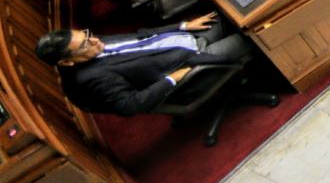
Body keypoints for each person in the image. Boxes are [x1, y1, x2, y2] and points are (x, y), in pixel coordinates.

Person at [38, 14, 253, 118]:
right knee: (250, 36)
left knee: (227, 12)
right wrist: (172, 79)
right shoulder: (92, 79)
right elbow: (130, 106)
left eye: (86, 34)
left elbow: (139, 36)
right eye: (85, 43)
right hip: (191, 62)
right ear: (67, 62)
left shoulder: (94, 44)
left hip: (184, 39)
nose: (95, 41)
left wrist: (183, 25)